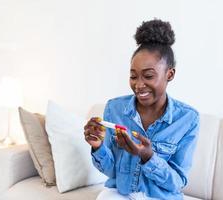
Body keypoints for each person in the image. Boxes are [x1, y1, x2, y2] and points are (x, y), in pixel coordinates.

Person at [84, 19, 199, 200]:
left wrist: (148, 157)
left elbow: (178, 182)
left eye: (148, 76)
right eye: (133, 76)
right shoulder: (114, 108)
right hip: (121, 194)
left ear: (170, 74)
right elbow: (111, 170)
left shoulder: (187, 119)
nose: (138, 85)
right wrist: (98, 147)